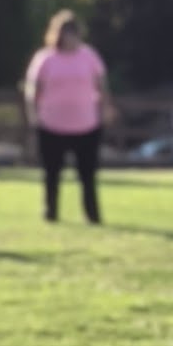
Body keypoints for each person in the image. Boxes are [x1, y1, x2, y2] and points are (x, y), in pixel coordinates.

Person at [24, 12, 115, 225]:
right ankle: (51, 212)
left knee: (88, 174)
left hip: (86, 125)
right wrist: (33, 114)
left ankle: (92, 215)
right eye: (65, 33)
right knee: (52, 173)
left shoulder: (89, 56)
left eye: (73, 32)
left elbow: (102, 86)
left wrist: (105, 109)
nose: (70, 37)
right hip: (52, 125)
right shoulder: (45, 58)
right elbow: (33, 89)